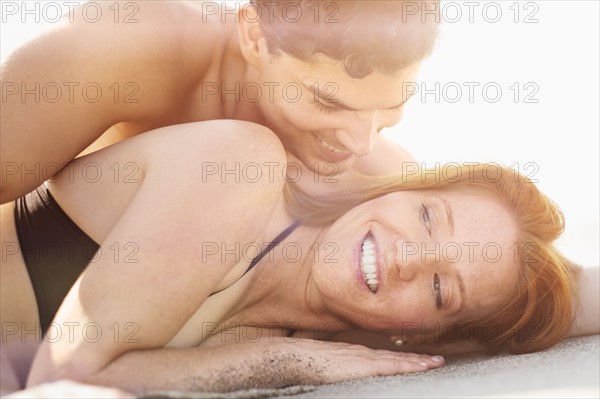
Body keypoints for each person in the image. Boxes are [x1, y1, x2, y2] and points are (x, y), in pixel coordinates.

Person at [0, 120, 585, 396]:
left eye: (440, 288)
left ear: (424, 334)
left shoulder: (346, 332)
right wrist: (282, 363)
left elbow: (580, 300)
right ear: (399, 186)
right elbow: (69, 376)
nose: (408, 258)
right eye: (429, 217)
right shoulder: (240, 169)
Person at [0, 0, 440, 203]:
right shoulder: (128, 47)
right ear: (254, 37)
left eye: (390, 104)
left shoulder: (380, 174)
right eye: (329, 102)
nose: (361, 142)